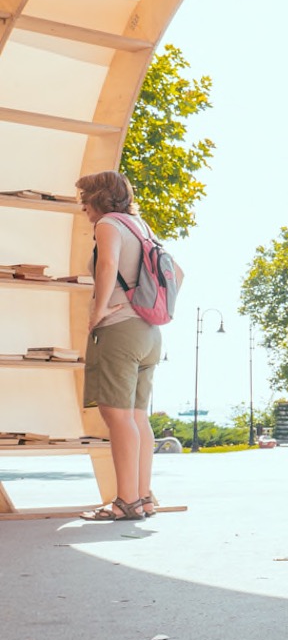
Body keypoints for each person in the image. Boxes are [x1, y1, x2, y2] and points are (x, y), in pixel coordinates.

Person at [75, 171, 176, 521]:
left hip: (119, 331)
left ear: (99, 198)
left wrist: (99, 311)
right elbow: (176, 273)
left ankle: (126, 502)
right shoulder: (141, 226)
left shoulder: (108, 225)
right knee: (136, 417)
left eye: (85, 198)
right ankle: (143, 497)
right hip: (149, 333)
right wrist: (149, 307)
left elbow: (108, 265)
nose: (82, 205)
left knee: (116, 417)